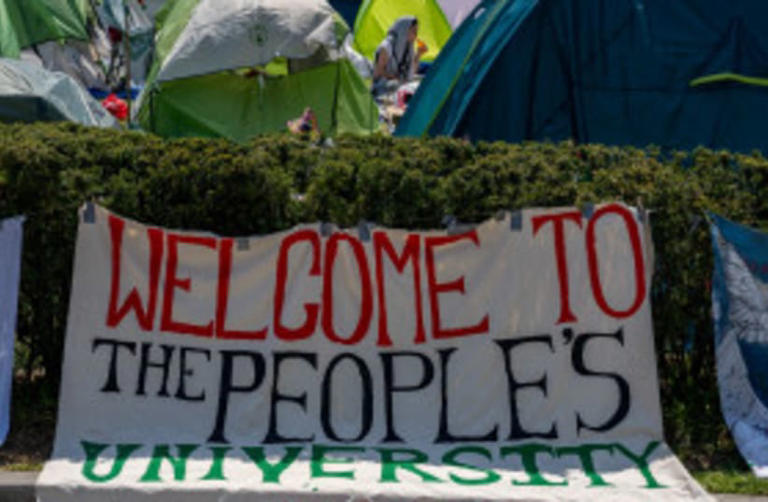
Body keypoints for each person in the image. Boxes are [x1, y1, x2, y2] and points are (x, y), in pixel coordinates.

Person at [371, 16, 428, 97]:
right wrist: (395, 78)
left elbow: (411, 73)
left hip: (398, 87)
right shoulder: (387, 46)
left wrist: (419, 54)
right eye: (414, 31)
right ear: (404, 30)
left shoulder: (408, 47)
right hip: (383, 88)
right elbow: (377, 73)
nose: (416, 35)